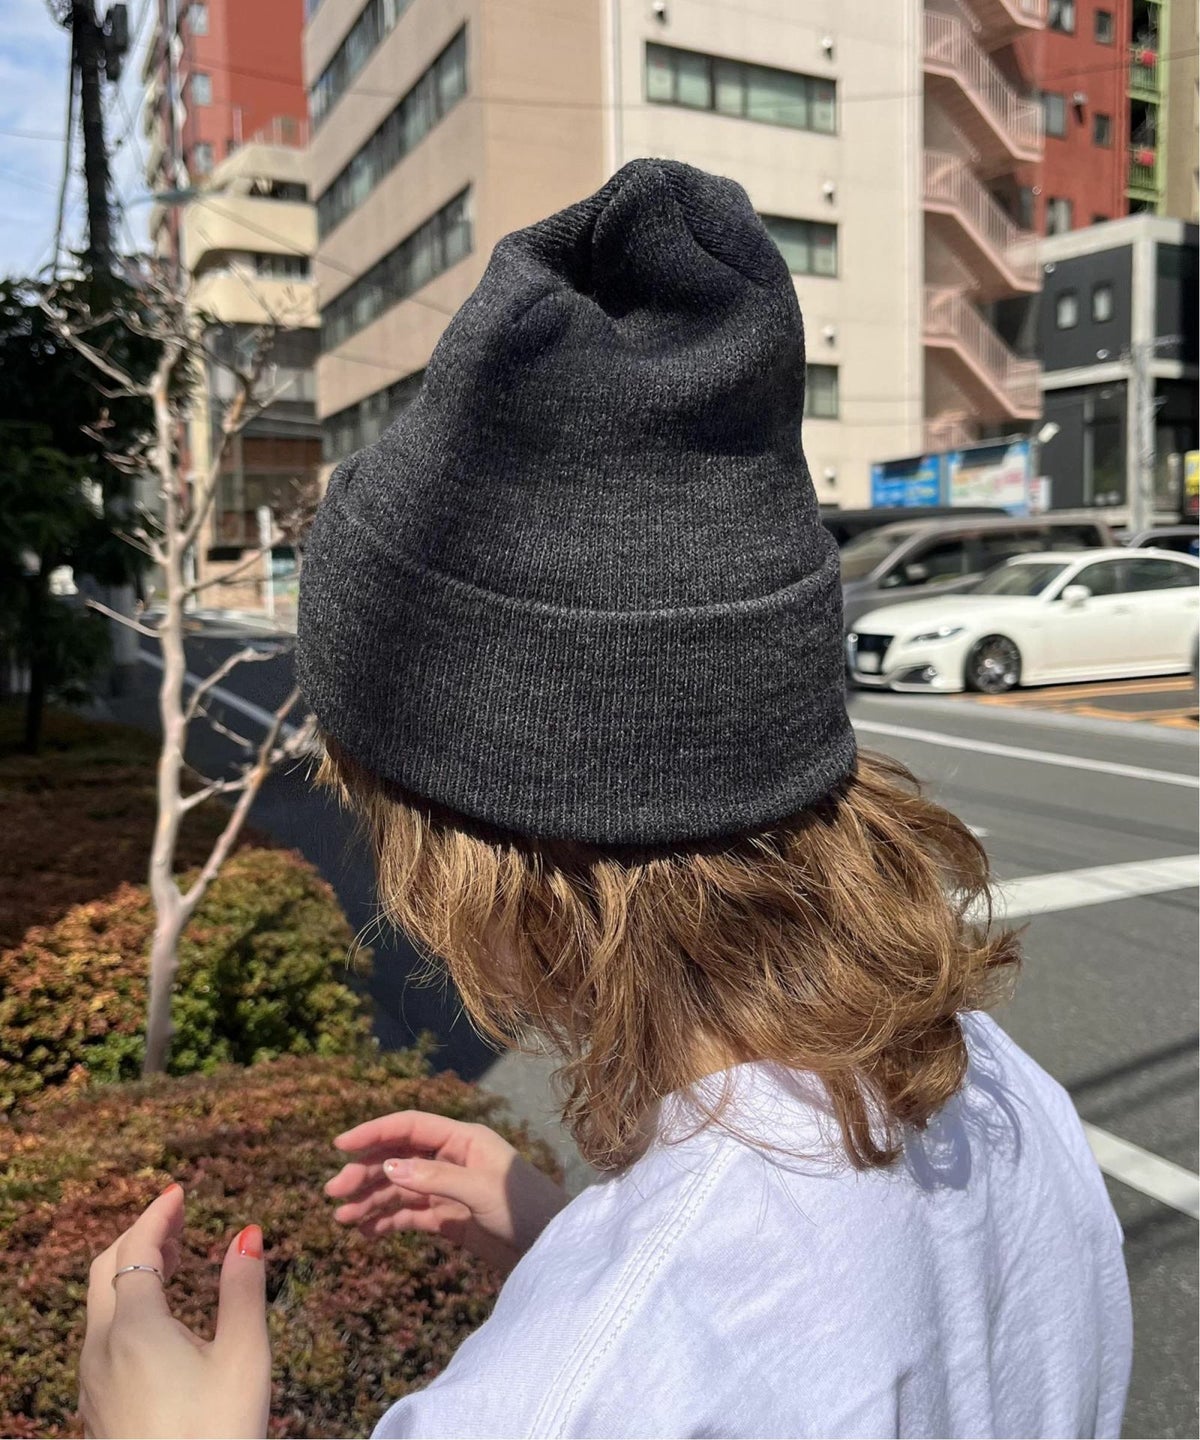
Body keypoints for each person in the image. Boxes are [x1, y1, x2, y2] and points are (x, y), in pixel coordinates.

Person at [80, 160, 1132, 1439]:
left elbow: (664, 1367)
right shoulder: (999, 1097)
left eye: (372, 795)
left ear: (478, 839)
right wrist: (572, 1244)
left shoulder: (573, 1396)